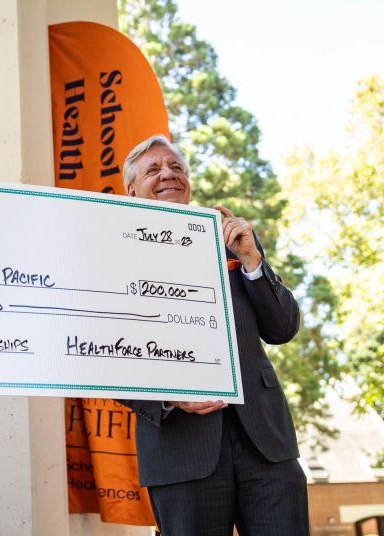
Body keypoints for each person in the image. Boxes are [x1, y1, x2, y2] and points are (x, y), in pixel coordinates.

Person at [118, 135, 309, 535]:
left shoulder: (228, 241)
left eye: (177, 168)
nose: (168, 174)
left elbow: (283, 328)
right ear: (131, 190)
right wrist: (168, 397)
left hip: (267, 445)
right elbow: (100, 355)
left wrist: (253, 260)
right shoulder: (112, 257)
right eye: (153, 170)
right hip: (180, 452)